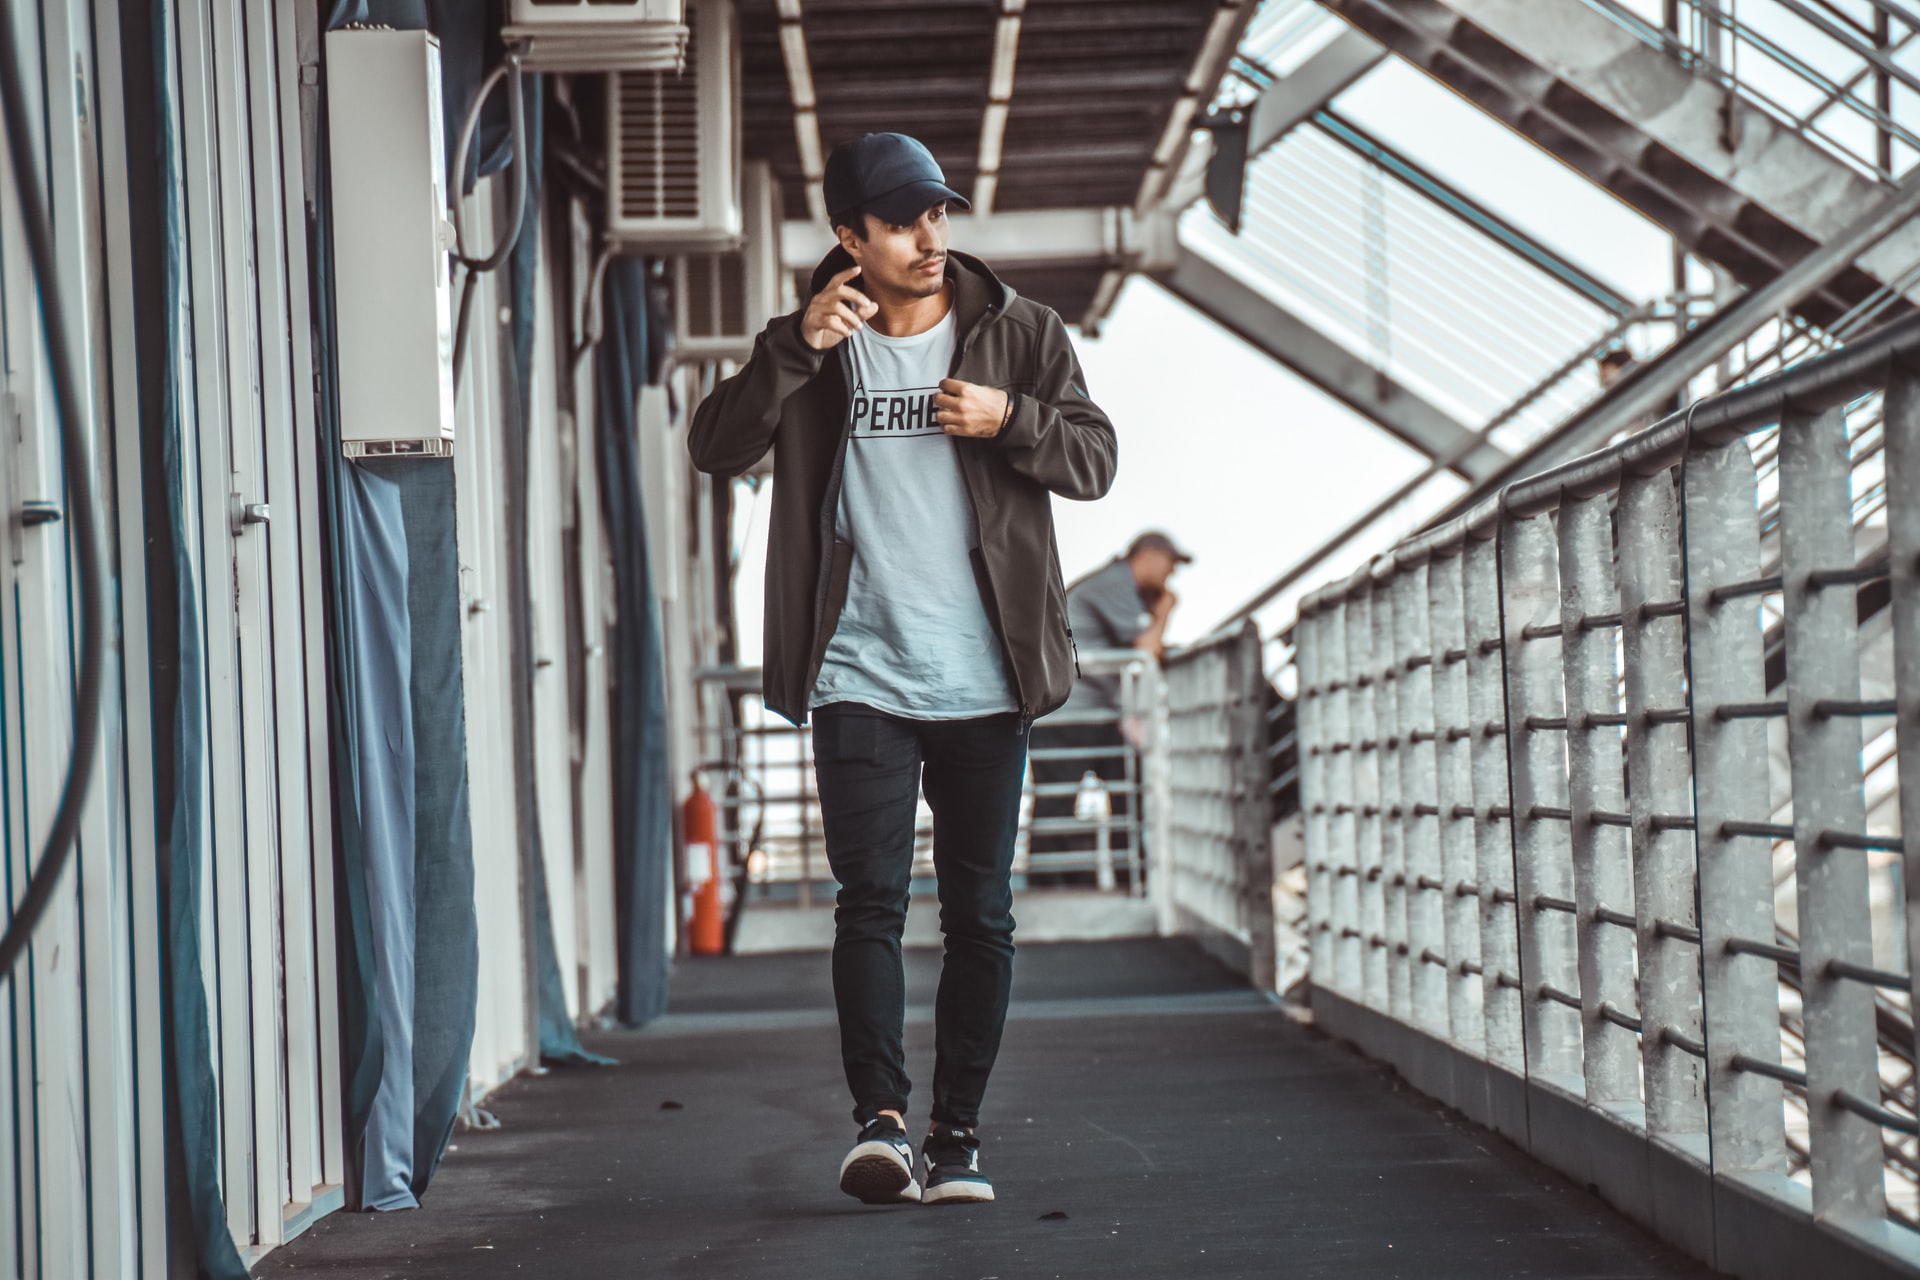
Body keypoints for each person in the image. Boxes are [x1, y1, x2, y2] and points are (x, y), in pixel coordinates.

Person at [687, 132, 1116, 1207]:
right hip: (858, 672)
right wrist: (791, 347)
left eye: (939, 215)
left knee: (981, 915)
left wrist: (1011, 419)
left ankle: (957, 1136)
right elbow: (715, 446)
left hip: (988, 675)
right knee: (868, 902)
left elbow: (1096, 458)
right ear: (850, 237)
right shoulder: (814, 343)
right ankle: (879, 1124)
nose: (931, 238)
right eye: (902, 220)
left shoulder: (1021, 334)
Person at [1028, 533, 1191, 873]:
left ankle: (1124, 874)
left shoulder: (1115, 585)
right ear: (1149, 555)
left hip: (1083, 715)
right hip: (1070, 717)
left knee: (1125, 794)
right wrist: (1165, 611)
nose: (1171, 574)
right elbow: (1147, 649)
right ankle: (1062, 883)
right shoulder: (1116, 583)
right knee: (1070, 802)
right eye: (1170, 564)